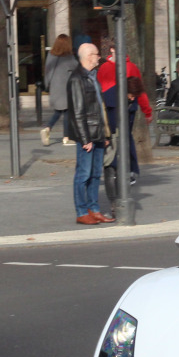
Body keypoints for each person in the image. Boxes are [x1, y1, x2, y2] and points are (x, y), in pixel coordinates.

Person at [66, 41, 113, 225]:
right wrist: (85, 139)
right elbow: (77, 112)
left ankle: (94, 209)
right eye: (96, 54)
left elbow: (99, 108)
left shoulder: (93, 76)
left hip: (98, 133)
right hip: (88, 135)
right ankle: (81, 211)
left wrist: (105, 134)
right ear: (87, 57)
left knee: (95, 174)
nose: (98, 57)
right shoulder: (77, 79)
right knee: (83, 174)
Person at [97, 37, 150, 181]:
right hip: (112, 107)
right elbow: (99, 90)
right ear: (112, 50)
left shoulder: (130, 67)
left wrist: (147, 110)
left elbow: (140, 89)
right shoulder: (105, 68)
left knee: (124, 136)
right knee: (116, 137)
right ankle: (118, 168)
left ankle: (128, 169)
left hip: (127, 107)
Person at [41, 34, 78, 146]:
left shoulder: (51, 55)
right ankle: (66, 137)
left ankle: (47, 129)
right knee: (67, 111)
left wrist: (47, 85)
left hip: (55, 88)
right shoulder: (69, 57)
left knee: (59, 111)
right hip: (65, 88)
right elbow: (76, 67)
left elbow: (47, 72)